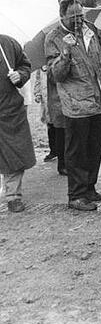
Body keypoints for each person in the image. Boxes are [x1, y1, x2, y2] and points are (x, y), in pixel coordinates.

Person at [45, 0, 101, 211]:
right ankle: (76, 195)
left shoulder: (90, 30)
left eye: (81, 14)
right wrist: (65, 53)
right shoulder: (54, 38)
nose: (79, 19)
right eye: (74, 16)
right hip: (76, 104)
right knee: (76, 151)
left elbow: (99, 62)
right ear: (62, 15)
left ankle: (89, 186)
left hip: (98, 99)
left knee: (94, 147)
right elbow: (57, 76)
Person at [0, 34, 36, 213]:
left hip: (9, 109)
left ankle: (13, 195)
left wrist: (19, 75)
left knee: (14, 152)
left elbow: (25, 64)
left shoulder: (7, 43)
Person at [34, 66, 67, 175]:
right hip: (49, 99)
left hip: (59, 100)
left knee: (61, 129)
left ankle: (62, 157)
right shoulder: (42, 68)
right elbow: (39, 80)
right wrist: (37, 93)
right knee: (53, 127)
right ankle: (56, 153)